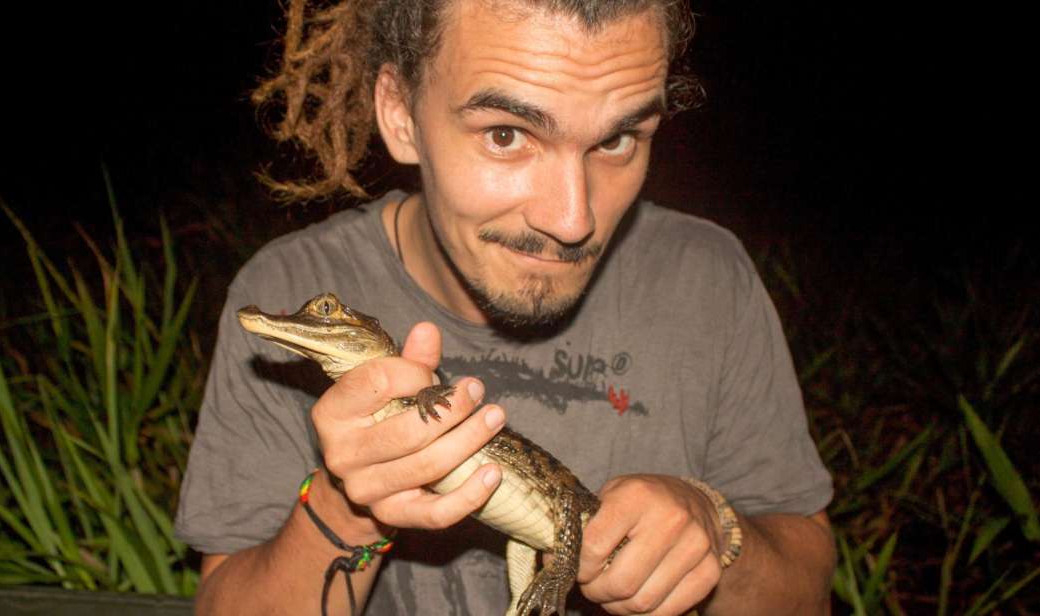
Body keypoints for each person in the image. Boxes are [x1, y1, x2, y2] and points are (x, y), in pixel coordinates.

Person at [175, 0, 835, 614]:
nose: (573, 220)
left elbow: (807, 586)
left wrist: (714, 532)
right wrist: (347, 506)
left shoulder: (707, 276)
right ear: (401, 115)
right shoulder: (293, 280)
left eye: (616, 140)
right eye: (505, 134)